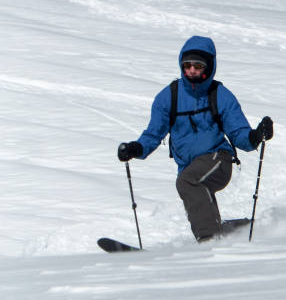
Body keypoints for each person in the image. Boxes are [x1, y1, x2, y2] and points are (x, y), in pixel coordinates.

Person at [117, 35, 273, 242]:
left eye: (198, 66)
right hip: (189, 166)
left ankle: (209, 240)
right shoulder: (169, 96)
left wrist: (256, 136)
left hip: (218, 159)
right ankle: (239, 230)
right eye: (187, 65)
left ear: (209, 67)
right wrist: (136, 148)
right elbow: (153, 133)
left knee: (187, 183)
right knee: (194, 192)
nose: (191, 70)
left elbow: (238, 133)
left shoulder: (220, 95)